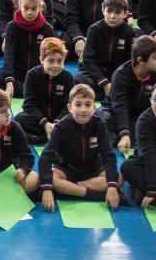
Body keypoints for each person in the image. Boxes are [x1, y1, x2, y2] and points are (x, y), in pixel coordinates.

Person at [40, 84, 122, 213]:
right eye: (78, 105)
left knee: (118, 179)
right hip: (67, 169)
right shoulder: (61, 127)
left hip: (93, 169)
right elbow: (45, 158)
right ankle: (95, 195)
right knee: (52, 179)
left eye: (88, 105)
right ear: (69, 108)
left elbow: (108, 156)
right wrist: (47, 189)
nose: (83, 109)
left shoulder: (99, 125)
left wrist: (111, 186)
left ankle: (72, 189)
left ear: (94, 108)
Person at [120, 85, 156, 207]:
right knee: (128, 167)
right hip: (149, 163)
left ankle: (143, 192)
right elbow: (149, 156)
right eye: (155, 100)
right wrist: (153, 188)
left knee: (140, 196)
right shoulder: (145, 121)